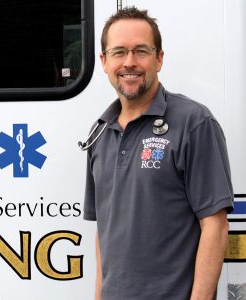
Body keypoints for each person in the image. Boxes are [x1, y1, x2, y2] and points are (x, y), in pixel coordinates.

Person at [83, 6, 233, 300]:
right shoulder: (99, 132)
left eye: (141, 51)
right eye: (118, 52)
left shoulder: (194, 122)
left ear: (159, 58)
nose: (130, 62)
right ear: (103, 61)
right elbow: (104, 232)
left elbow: (215, 224)